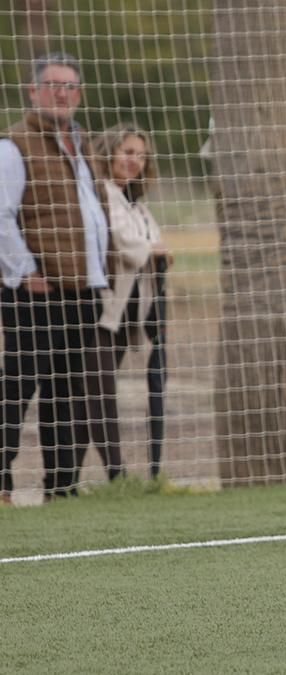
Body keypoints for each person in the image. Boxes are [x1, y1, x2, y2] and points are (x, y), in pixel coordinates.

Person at [0, 52, 109, 503]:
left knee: (67, 394)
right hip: (36, 292)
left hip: (80, 290)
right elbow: (1, 216)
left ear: (79, 95)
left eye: (69, 86)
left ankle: (62, 486)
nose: (62, 93)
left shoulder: (81, 145)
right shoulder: (14, 145)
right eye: (53, 85)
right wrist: (26, 271)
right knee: (18, 388)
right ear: (33, 92)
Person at [86, 123, 172, 481]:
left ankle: (133, 473)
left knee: (94, 391)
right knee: (97, 391)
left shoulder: (135, 203)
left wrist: (156, 251)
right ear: (109, 153)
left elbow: (155, 243)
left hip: (131, 313)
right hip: (101, 310)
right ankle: (115, 475)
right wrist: (153, 251)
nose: (134, 160)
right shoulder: (101, 192)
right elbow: (129, 243)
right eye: (127, 152)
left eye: (140, 154)